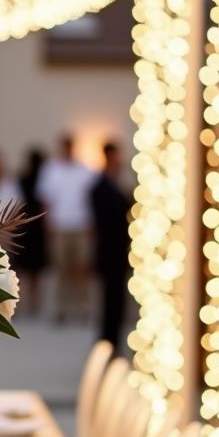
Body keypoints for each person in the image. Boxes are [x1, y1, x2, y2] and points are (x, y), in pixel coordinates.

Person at [37, 134, 94, 322]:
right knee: (60, 268)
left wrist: (90, 223)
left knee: (81, 268)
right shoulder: (51, 169)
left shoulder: (84, 170)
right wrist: (47, 223)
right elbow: (45, 199)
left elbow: (91, 199)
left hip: (80, 225)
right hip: (60, 226)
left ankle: (83, 306)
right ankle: (59, 308)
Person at [90, 140, 132, 350]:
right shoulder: (100, 187)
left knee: (117, 300)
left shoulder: (115, 185)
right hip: (109, 252)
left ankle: (113, 340)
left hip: (119, 252)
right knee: (110, 300)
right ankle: (108, 341)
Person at [15, 148, 48, 315]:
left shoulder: (22, 179)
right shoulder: (44, 179)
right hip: (37, 227)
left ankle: (23, 300)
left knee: (24, 267)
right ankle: (33, 302)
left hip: (25, 225)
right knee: (34, 269)